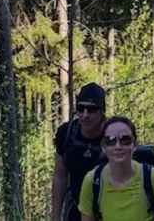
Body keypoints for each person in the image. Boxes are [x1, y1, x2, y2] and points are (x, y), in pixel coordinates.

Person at [79, 116, 154, 221]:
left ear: (134, 145)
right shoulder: (93, 182)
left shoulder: (153, 179)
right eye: (110, 141)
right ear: (103, 147)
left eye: (125, 140)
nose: (118, 146)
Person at [53, 84, 108, 221]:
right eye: (80, 108)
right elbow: (60, 176)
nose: (85, 115)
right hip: (76, 206)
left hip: (109, 206)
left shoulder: (113, 135)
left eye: (91, 109)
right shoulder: (67, 133)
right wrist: (55, 216)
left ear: (102, 112)